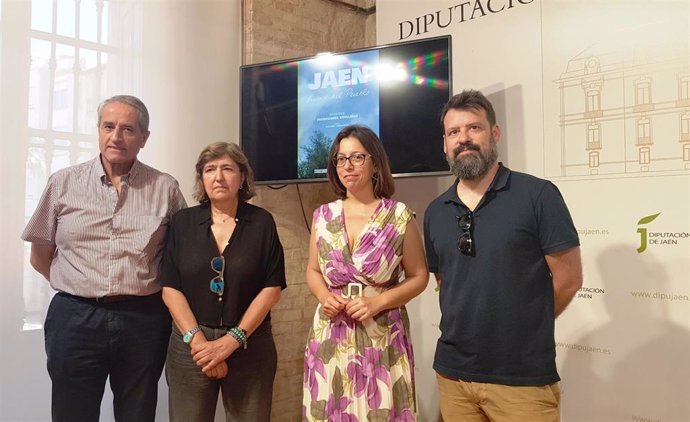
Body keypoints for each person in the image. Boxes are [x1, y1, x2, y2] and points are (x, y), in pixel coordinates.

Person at [21, 95, 187, 422]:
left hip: (143, 319)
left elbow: (179, 255)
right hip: (75, 318)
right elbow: (40, 256)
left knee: (137, 413)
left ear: (144, 138)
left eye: (128, 129)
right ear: (98, 131)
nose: (116, 137)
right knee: (72, 413)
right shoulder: (63, 183)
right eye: (108, 127)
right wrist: (79, 285)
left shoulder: (165, 187)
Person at [424, 89, 583, 421]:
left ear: (494, 133)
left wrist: (523, 326)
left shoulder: (538, 195)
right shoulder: (435, 212)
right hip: (454, 378)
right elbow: (446, 282)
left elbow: (568, 280)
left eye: (474, 128)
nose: (463, 139)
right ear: (444, 144)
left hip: (521, 380)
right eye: (454, 132)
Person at [302, 125, 429, 421]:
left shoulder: (398, 216)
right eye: (340, 158)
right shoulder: (323, 216)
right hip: (330, 333)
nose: (347, 166)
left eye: (357, 157)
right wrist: (323, 296)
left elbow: (419, 276)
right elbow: (312, 270)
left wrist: (378, 302)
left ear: (375, 163)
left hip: (381, 333)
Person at [160, 142, 286, 422]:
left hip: (250, 345)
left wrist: (232, 341)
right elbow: (170, 287)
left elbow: (272, 288)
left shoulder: (262, 222)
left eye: (227, 168)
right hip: (190, 346)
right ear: (201, 178)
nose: (218, 177)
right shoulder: (182, 222)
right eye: (210, 169)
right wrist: (198, 342)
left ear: (242, 177)